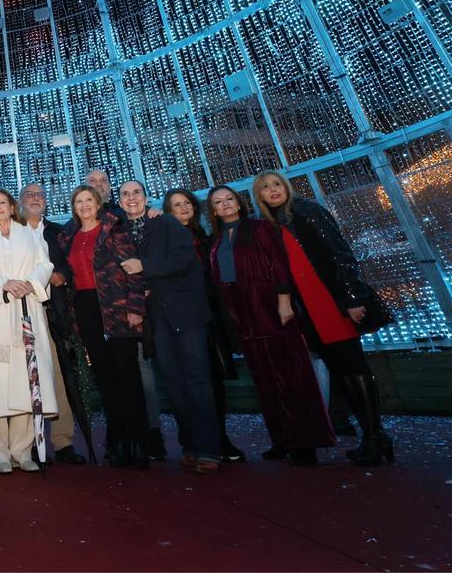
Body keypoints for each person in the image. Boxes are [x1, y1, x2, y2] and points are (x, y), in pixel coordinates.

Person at [253, 170, 394, 466]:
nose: (273, 190)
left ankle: (375, 435)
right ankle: (373, 436)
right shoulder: (270, 226)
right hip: (307, 310)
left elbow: (341, 253)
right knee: (340, 372)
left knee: (354, 368)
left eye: (277, 184)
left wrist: (353, 299)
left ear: (286, 187)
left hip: (330, 302)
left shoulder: (307, 211)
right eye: (266, 187)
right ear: (259, 196)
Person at [207, 185, 335, 466]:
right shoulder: (216, 242)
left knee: (293, 375)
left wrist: (284, 300)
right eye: (218, 202)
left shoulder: (260, 228)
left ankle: (306, 442)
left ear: (239, 203)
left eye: (229, 199)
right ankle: (282, 440)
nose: (225, 204)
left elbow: (279, 264)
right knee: (265, 381)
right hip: (244, 319)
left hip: (271, 309)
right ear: (213, 210)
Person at [119, 181, 220, 474]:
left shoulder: (166, 222)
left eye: (136, 192)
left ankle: (209, 449)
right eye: (125, 194)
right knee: (173, 381)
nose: (131, 198)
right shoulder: (120, 232)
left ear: (146, 197)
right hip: (156, 317)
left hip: (186, 312)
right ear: (120, 201)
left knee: (198, 379)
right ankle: (190, 444)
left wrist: (144, 267)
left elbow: (183, 258)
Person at [56, 185, 150, 469]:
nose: (84, 205)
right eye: (79, 201)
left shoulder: (115, 229)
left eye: (89, 200)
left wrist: (135, 308)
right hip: (85, 310)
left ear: (98, 204)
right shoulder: (67, 236)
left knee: (128, 377)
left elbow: (134, 272)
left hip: (116, 307)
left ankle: (140, 443)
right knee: (105, 379)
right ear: (74, 207)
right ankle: (118, 442)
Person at [0, 190, 57, 473]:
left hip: (26, 310)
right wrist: (3, 284)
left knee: (26, 380)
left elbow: (45, 264)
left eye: (2, 203)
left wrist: (30, 283)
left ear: (11, 207)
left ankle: (22, 450)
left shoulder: (30, 234)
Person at [162, 188, 245, 462]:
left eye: (187, 203)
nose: (183, 208)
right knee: (190, 381)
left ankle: (219, 439)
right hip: (184, 319)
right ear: (168, 211)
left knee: (214, 380)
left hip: (211, 316)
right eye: (176, 205)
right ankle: (196, 441)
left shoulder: (208, 238)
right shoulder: (166, 240)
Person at [88, 169, 164, 460]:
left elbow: (138, 257)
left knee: (140, 372)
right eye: (92, 182)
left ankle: (149, 434)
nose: (98, 186)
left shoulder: (124, 217)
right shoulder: (78, 223)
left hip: (134, 308)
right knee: (112, 375)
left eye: (103, 181)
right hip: (103, 312)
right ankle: (119, 436)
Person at [19, 182, 86, 464]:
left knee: (59, 374)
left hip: (54, 312)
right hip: (23, 311)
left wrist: (62, 275)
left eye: (40, 195)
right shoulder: (10, 230)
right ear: (20, 201)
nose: (35, 198)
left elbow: (72, 265)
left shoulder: (59, 233)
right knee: (25, 377)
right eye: (30, 195)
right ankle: (28, 442)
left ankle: (62, 440)